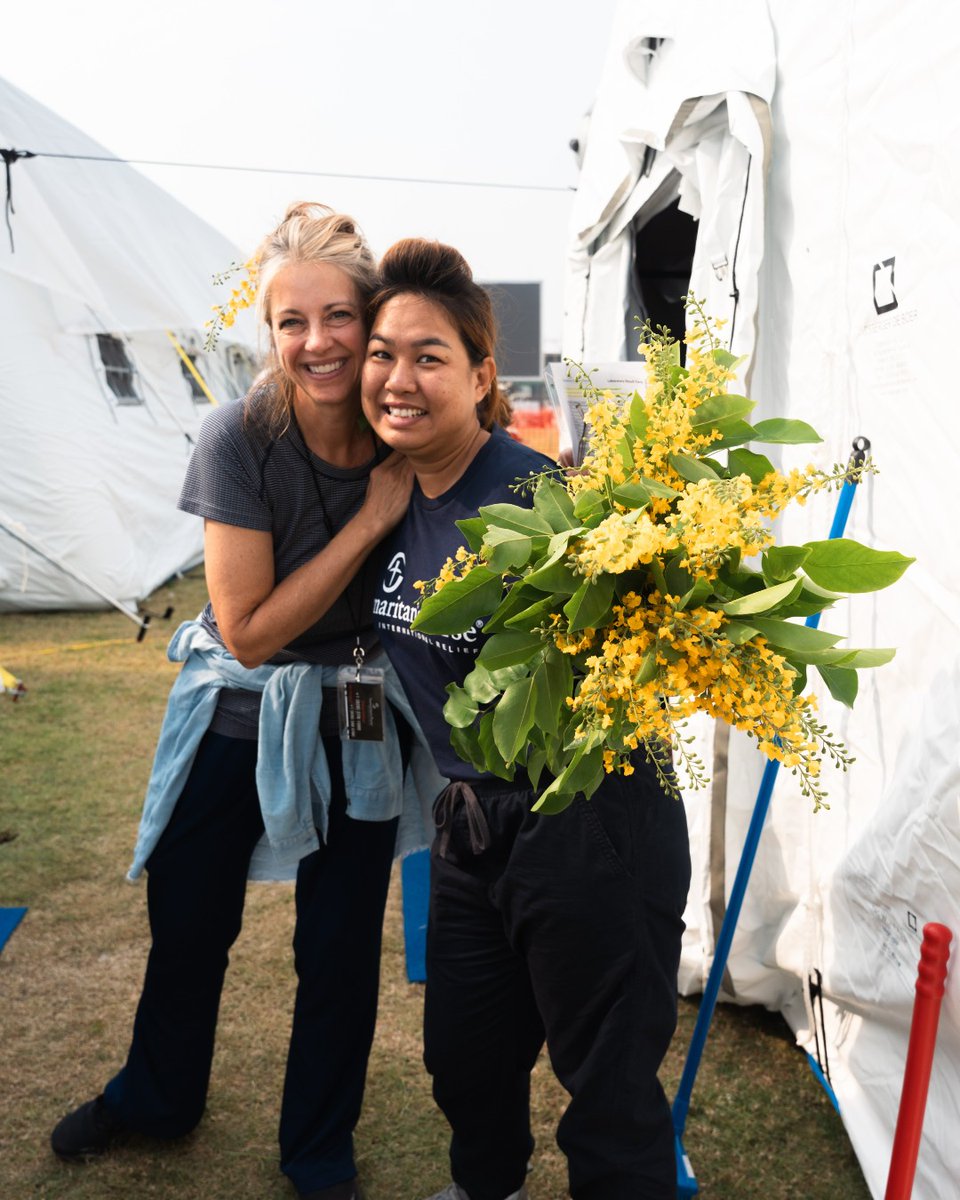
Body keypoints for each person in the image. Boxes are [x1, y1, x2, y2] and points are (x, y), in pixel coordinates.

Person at [49, 203, 441, 1200]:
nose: (316, 343)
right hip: (240, 702)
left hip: (356, 697)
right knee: (189, 919)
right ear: (267, 332)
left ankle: (317, 1147)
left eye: (339, 317)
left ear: (373, 318)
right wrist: (371, 524)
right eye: (290, 322)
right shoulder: (240, 437)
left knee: (341, 943)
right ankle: (156, 1096)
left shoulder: (405, 429)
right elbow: (250, 631)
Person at [362, 239, 692, 1200]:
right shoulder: (392, 497)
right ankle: (485, 1187)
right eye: (385, 353)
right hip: (472, 823)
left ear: (479, 374)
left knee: (609, 1082)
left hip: (588, 815)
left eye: (429, 356)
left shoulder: (537, 495)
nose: (400, 377)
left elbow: (629, 648)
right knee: (465, 1059)